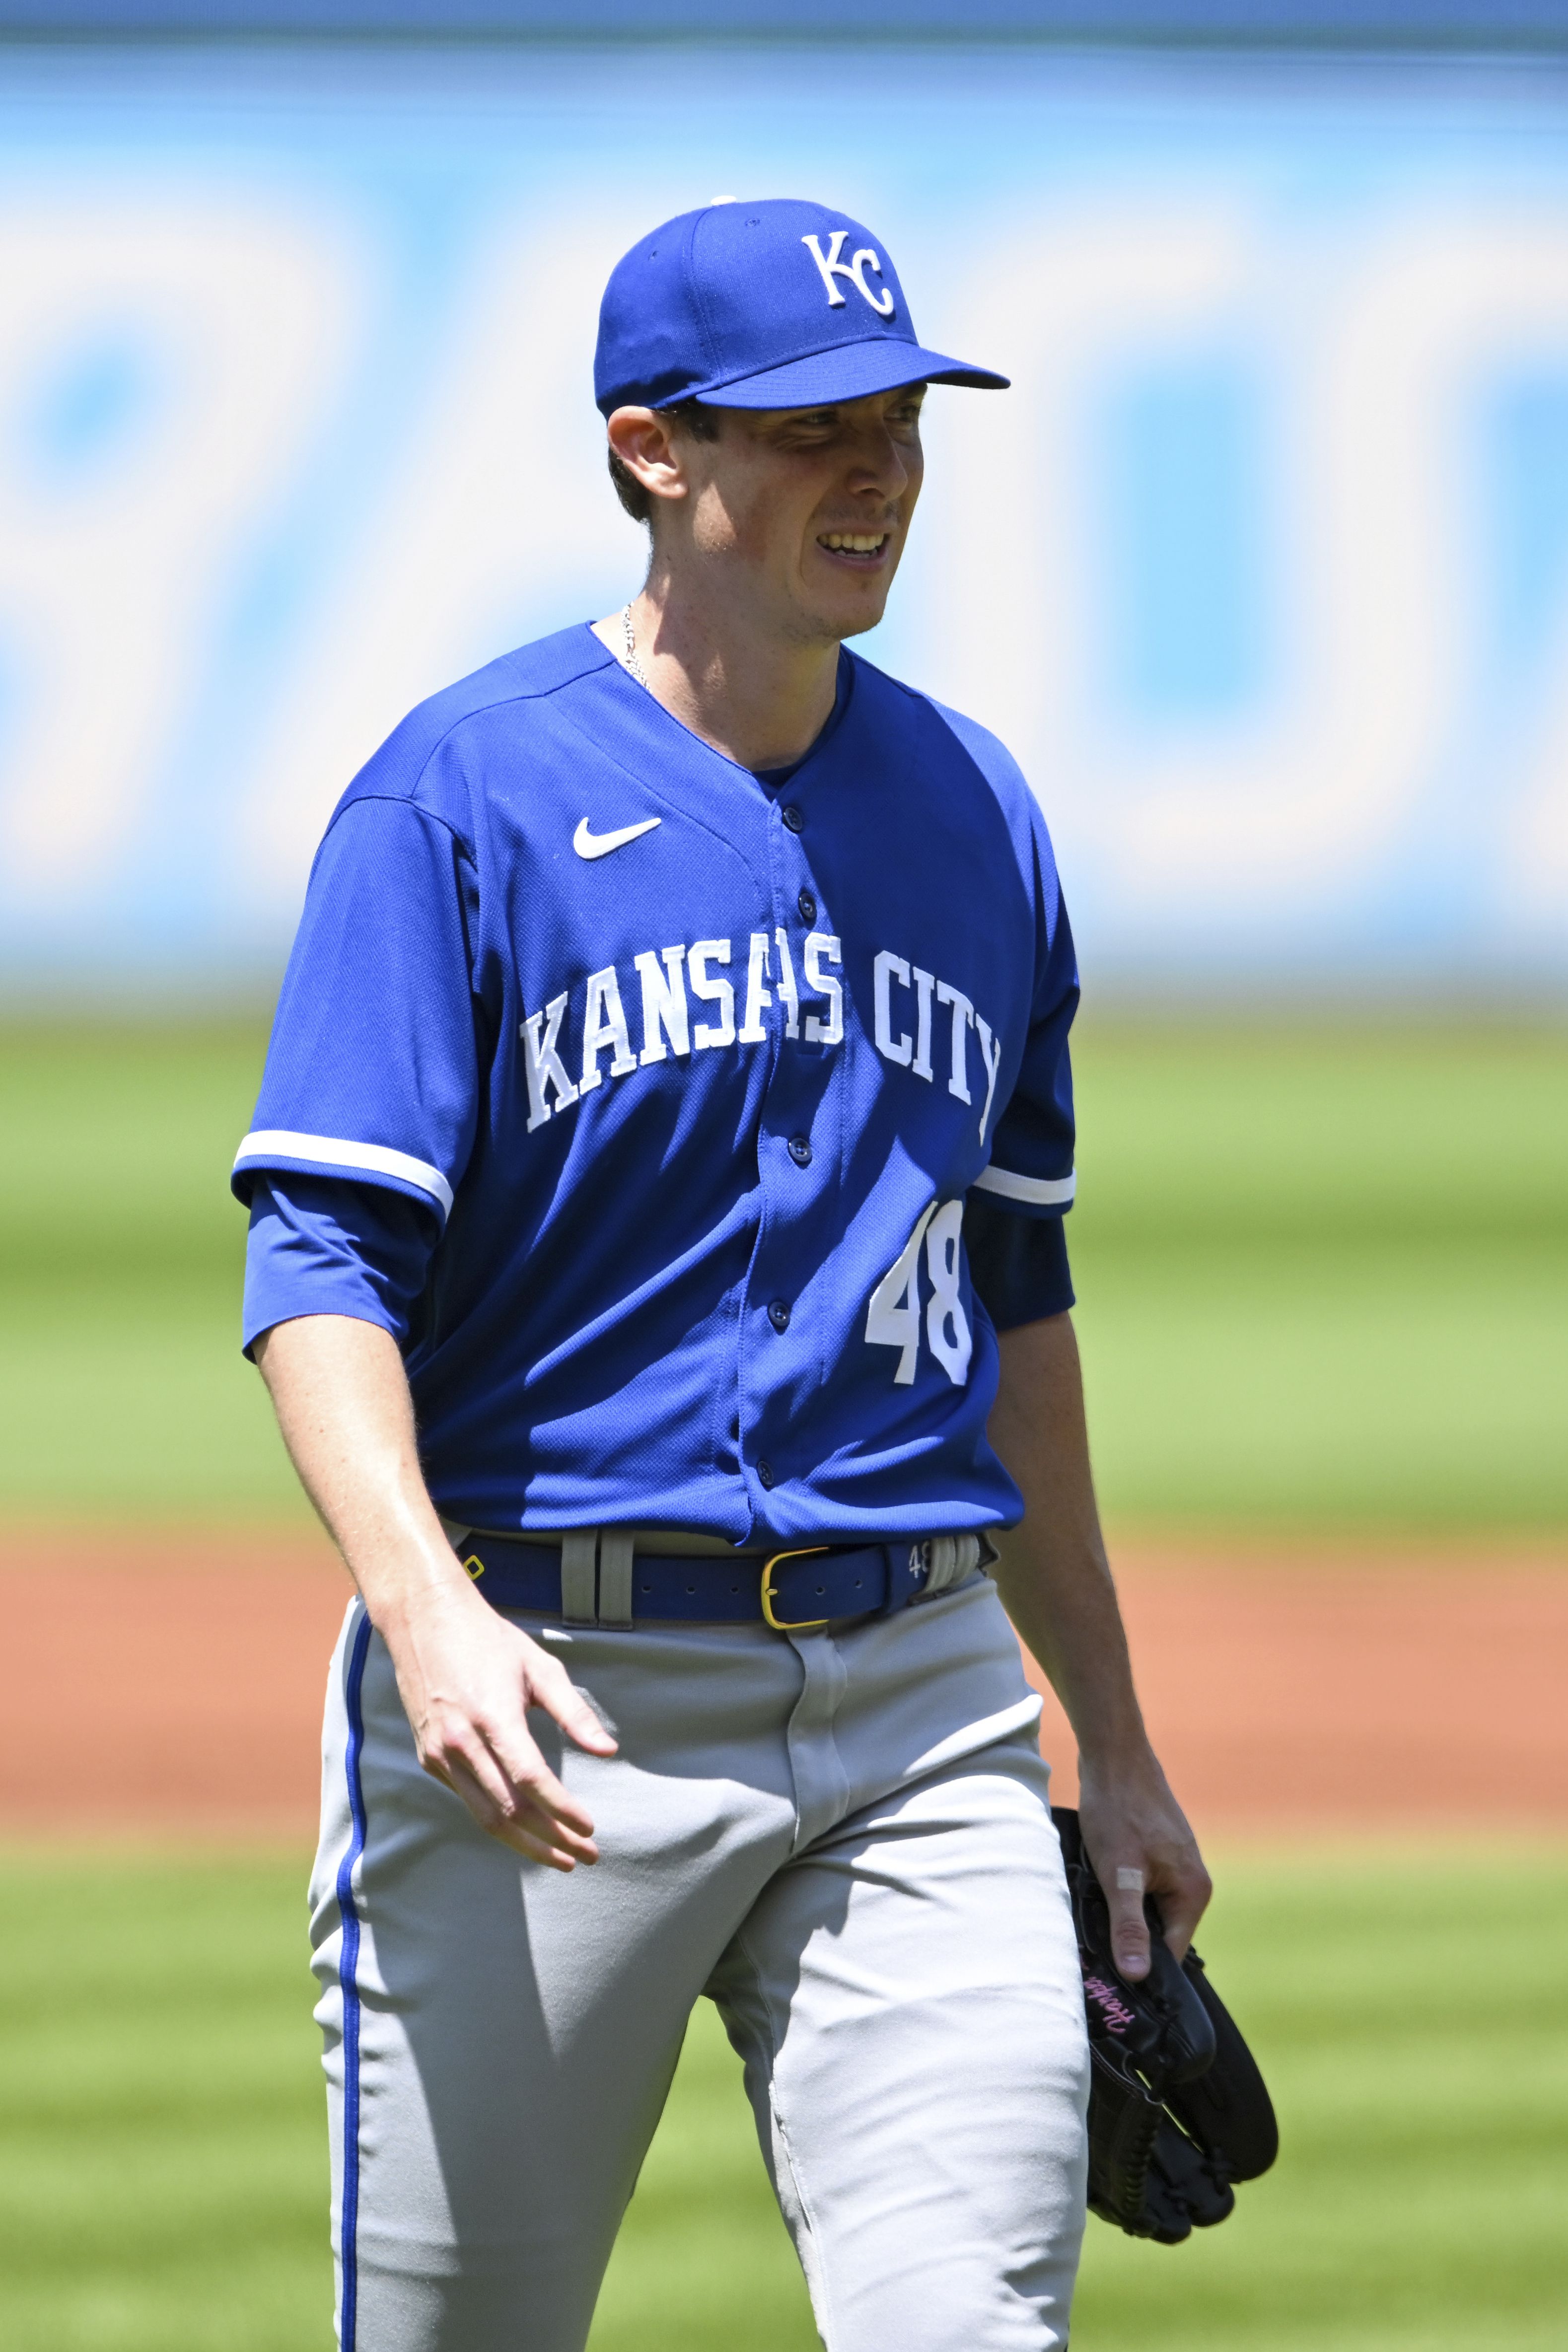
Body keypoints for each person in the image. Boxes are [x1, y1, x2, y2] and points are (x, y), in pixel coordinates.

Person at [234, 196, 1209, 2352]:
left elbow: (1009, 1295)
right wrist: (428, 1623)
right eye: (810, 427)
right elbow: (318, 1258)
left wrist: (1107, 1740)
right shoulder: (458, 802)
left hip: (926, 1711)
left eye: (901, 421)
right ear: (651, 450)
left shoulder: (976, 809)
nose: (875, 470)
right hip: (552, 1713)